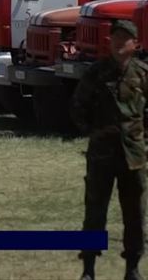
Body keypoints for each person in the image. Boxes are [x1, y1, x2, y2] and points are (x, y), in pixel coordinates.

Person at [71, 20, 148, 280]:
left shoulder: (142, 74)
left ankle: (133, 268)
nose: (118, 42)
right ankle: (89, 268)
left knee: (135, 214)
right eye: (115, 37)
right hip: (102, 155)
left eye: (125, 38)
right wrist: (94, 132)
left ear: (135, 44)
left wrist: (142, 139)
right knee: (95, 212)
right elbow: (78, 107)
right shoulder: (96, 73)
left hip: (133, 157)